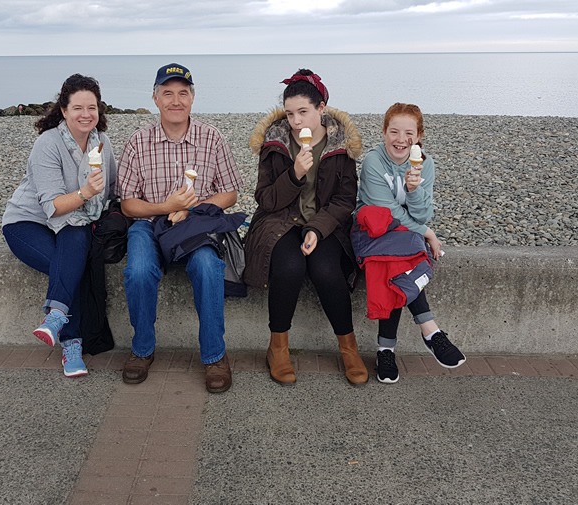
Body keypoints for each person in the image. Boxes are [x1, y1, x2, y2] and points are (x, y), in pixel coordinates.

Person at [116, 63, 243, 393]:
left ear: (192, 98)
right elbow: (128, 204)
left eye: (183, 93)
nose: (176, 100)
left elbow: (230, 192)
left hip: (194, 225)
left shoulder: (211, 137)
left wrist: (191, 209)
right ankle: (142, 349)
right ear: (155, 99)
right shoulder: (138, 141)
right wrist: (166, 207)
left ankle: (214, 355)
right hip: (148, 224)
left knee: (208, 266)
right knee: (139, 271)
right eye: (168, 93)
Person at [243, 69, 368, 385]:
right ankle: (278, 348)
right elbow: (265, 199)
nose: (296, 121)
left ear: (321, 108)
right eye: (290, 113)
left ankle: (349, 348)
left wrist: (316, 229)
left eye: (303, 112)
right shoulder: (275, 143)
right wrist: (295, 174)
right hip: (280, 221)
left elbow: (345, 200)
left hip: (325, 223)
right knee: (289, 267)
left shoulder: (340, 145)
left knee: (326, 270)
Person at [2, 74, 117, 378]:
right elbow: (52, 206)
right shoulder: (48, 143)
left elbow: (113, 190)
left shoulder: (102, 144)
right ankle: (71, 343)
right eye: (77, 108)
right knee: (69, 265)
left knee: (74, 250)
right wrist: (86, 192)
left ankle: (55, 316)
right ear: (64, 110)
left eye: (91, 107)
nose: (85, 114)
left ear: (99, 110)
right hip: (29, 222)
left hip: (73, 223)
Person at [354, 102, 466, 384]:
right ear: (384, 132)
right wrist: (427, 232)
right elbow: (387, 209)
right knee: (397, 259)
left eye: (408, 133)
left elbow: (423, 213)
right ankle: (430, 330)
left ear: (419, 136)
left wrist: (414, 190)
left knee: (395, 265)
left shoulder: (426, 164)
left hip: (404, 234)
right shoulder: (374, 161)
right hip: (372, 229)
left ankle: (386, 350)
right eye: (394, 131)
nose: (400, 139)